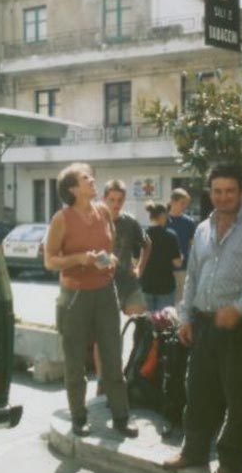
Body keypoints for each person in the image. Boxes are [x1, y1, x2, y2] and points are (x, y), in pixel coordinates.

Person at [163, 163, 242, 473]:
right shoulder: (202, 229)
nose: (223, 197)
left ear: (241, 192)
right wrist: (186, 317)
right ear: (210, 192)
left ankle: (231, 462)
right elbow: (192, 277)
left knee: (238, 396)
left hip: (240, 328)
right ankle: (194, 451)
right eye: (217, 191)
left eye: (230, 190)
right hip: (203, 324)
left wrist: (240, 307)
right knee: (198, 390)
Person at [44, 163, 138, 438]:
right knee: (75, 361)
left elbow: (110, 250)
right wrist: (80, 259)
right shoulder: (61, 218)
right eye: (85, 178)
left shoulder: (104, 212)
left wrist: (109, 261)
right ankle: (79, 417)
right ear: (73, 188)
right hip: (74, 296)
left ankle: (121, 416)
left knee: (112, 356)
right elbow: (50, 261)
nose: (92, 180)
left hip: (105, 292)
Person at [103, 179, 151, 316]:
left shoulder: (130, 222)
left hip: (129, 284)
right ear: (104, 199)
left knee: (141, 325)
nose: (116, 204)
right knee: (110, 332)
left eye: (120, 200)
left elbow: (147, 244)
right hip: (104, 287)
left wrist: (139, 268)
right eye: (112, 200)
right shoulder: (97, 221)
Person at [139, 201, 182, 312]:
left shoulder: (142, 235)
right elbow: (177, 262)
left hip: (146, 285)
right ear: (163, 216)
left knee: (147, 325)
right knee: (164, 325)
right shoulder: (171, 236)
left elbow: (135, 262)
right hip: (165, 286)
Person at [166, 188, 196, 306]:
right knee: (166, 302)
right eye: (182, 203)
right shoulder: (164, 220)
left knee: (181, 302)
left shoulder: (189, 222)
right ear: (173, 201)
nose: (185, 206)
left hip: (183, 268)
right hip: (164, 268)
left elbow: (193, 244)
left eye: (186, 204)